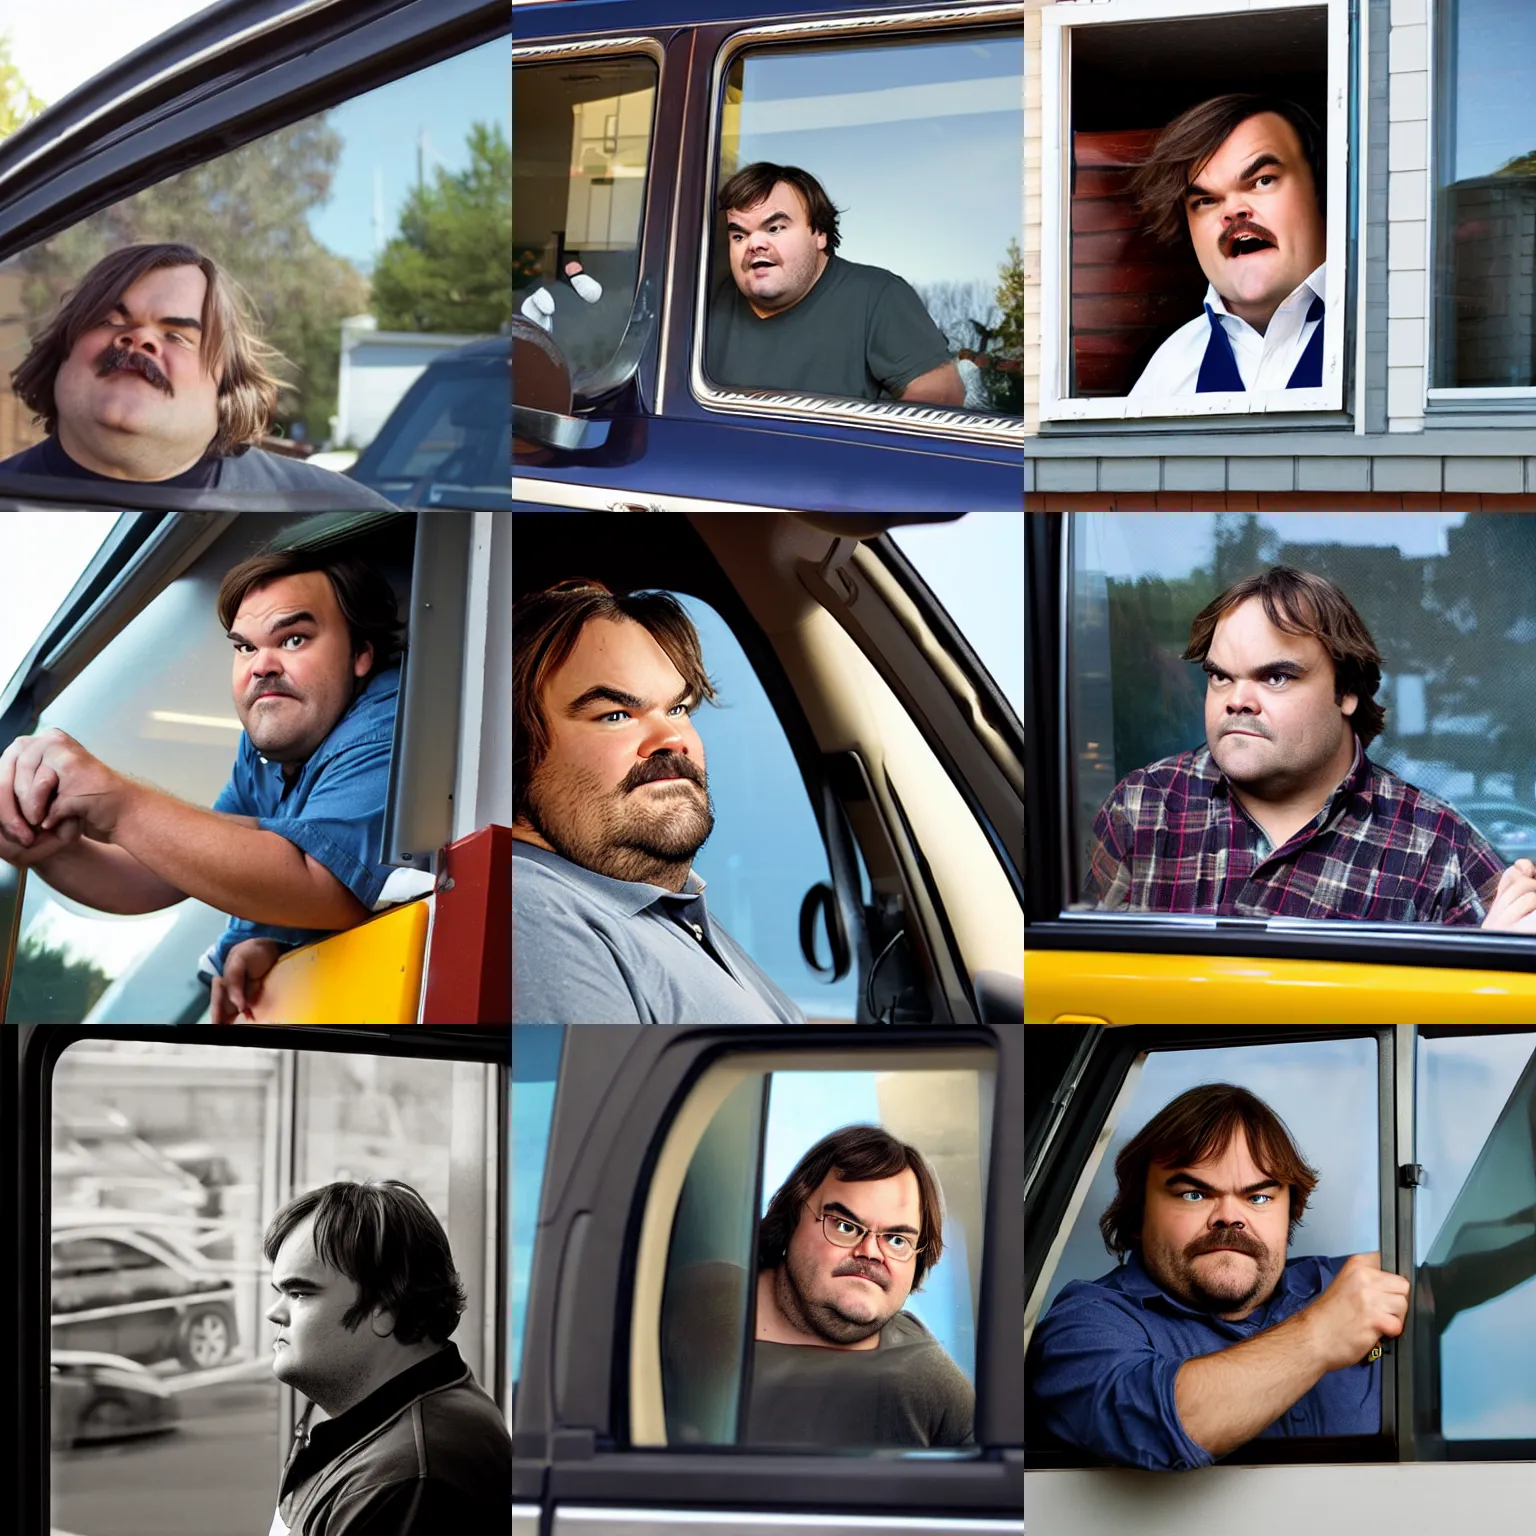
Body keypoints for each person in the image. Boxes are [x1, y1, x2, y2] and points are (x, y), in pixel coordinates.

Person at [0, 547, 433, 1021]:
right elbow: (165, 869)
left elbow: (322, 885)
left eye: (293, 640)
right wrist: (48, 848)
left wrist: (119, 803)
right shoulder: (266, 752)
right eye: (245, 646)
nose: (261, 665)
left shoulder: (394, 720)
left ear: (361, 655)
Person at [1084, 564, 1536, 930]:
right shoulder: (1144, 807)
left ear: (1347, 691)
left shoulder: (1438, 849)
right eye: (1221, 676)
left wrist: (1495, 966)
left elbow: (1471, 1036)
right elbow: (1065, 988)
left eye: (1275, 677)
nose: (1237, 700)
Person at [1027, 1084, 1408, 1471]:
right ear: (1138, 1214)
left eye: (1258, 1197)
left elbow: (1458, 1281)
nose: (1230, 1216)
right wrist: (1319, 1335)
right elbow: (1159, 1428)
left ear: (1288, 1216)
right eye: (1194, 1194)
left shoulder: (1338, 1282)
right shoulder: (1084, 1326)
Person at [512, 579, 805, 1023]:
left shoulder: (665, 906)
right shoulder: (535, 919)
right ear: (513, 755)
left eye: (678, 709)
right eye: (615, 715)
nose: (672, 739)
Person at [2, 242, 393, 504]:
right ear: (63, 352)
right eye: (110, 320)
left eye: (176, 334)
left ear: (226, 382)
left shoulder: (329, 507)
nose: (139, 340)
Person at [664, 1124, 974, 1448]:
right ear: (793, 1217)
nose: (870, 1252)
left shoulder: (932, 1386)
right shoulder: (690, 1302)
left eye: (897, 1240)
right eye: (844, 1225)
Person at [263, 1179, 510, 1534]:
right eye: (279, 1291)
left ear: (387, 1307)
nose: (274, 1312)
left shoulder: (411, 1479)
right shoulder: (383, 1422)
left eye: (300, 1293)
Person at [706, 162, 965, 407]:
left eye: (775, 228)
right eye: (739, 235)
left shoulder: (877, 296)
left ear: (819, 233)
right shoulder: (704, 300)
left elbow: (943, 396)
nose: (754, 245)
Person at [1126, 96, 1329, 398]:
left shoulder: (1394, 346)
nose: (1233, 210)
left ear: (1321, 190)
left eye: (1262, 181)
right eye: (1206, 200)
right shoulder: (1168, 374)